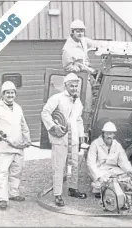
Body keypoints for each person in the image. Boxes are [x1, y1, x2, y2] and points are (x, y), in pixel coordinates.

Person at [41, 73, 87, 207]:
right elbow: (45, 113)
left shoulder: (78, 101)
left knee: (74, 165)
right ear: (65, 85)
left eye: (75, 86)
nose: (74, 88)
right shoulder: (57, 98)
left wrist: (81, 134)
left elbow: (78, 119)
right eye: (71, 86)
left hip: (73, 139)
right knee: (59, 166)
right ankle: (57, 194)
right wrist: (54, 126)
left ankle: (73, 189)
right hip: (60, 138)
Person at [0, 81, 31, 210]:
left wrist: (27, 140)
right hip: (4, 147)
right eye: (7, 93)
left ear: (15, 94)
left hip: (18, 147)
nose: (10, 95)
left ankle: (14, 193)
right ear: (3, 94)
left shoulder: (18, 107)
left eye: (12, 92)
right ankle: (2, 199)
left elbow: (23, 125)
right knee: (2, 173)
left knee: (16, 172)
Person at [86, 121, 132, 198]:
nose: (109, 136)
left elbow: (124, 161)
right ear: (103, 133)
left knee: (127, 177)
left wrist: (129, 170)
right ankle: (104, 189)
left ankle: (114, 188)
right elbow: (90, 163)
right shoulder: (95, 144)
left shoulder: (117, 145)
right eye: (107, 133)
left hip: (113, 170)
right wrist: (99, 177)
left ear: (114, 134)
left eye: (111, 133)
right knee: (99, 184)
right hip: (100, 170)